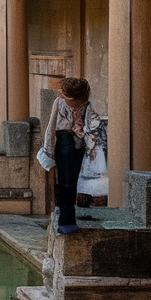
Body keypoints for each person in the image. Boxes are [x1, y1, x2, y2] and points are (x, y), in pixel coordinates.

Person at [39, 76, 100, 234]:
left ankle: (67, 216)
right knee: (65, 182)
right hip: (64, 143)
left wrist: (83, 135)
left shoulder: (87, 105)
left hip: (79, 145)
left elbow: (92, 125)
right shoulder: (59, 103)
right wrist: (48, 150)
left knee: (72, 182)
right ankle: (65, 221)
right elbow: (51, 127)